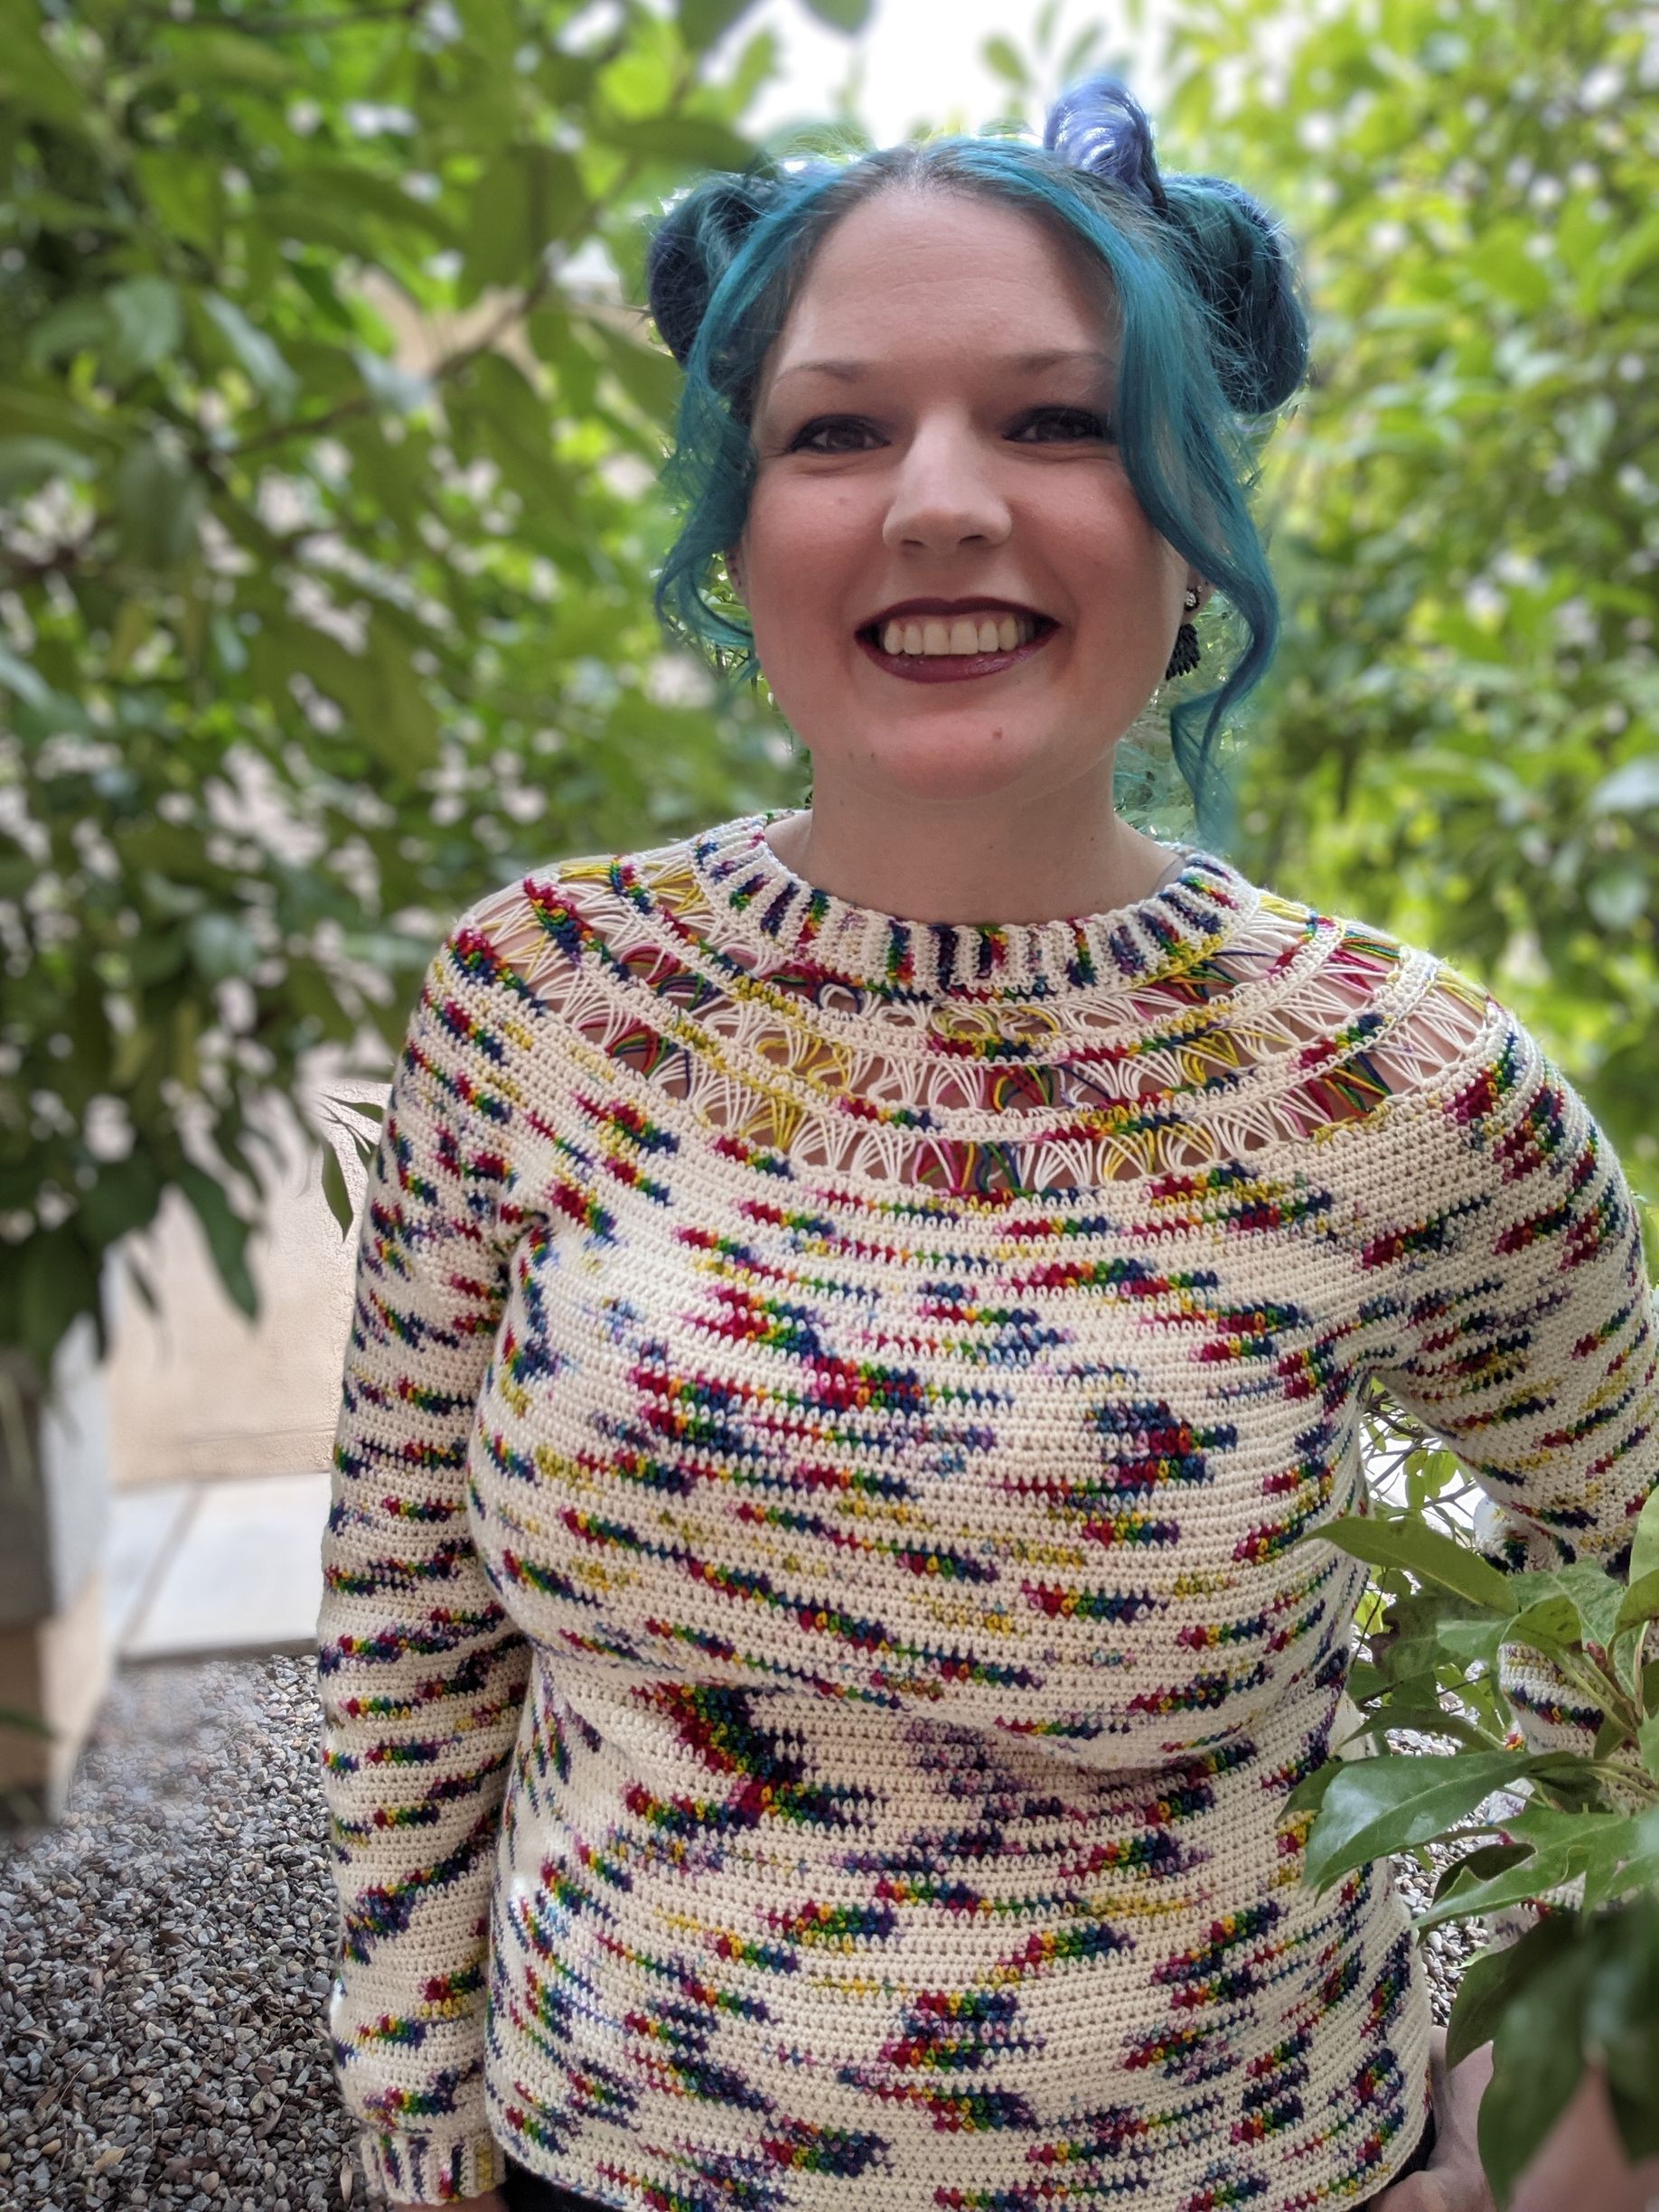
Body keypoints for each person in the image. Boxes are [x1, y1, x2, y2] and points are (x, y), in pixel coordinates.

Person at [314, 75, 1658, 2212]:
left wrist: (1586, 2138)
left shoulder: (1399, 1093)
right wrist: (410, 2106)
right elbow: (408, 1604)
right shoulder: (547, 1001)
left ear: (1193, 516)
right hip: (595, 2161)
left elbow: (1631, 1605)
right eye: (837, 430)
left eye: (1057, 421)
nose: (939, 502)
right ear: (735, 533)